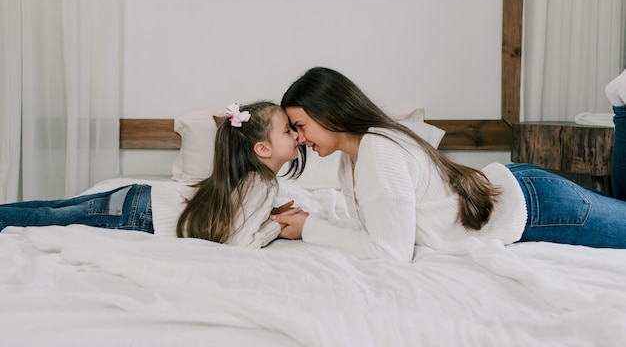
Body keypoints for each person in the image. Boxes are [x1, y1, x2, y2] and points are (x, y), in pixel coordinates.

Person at [272, 66, 626, 262]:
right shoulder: (350, 159)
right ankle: (622, 104)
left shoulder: (378, 152)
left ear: (329, 111)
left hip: (539, 206)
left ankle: (621, 105)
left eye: (300, 126)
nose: (300, 139)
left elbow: (389, 253)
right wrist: (313, 219)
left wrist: (310, 229)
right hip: (521, 190)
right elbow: (375, 228)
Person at [0, 101, 308, 248]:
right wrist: (276, 227)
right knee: (51, 217)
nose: (296, 135)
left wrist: (267, 216)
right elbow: (240, 243)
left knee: (54, 208)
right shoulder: (263, 183)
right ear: (263, 149)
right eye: (287, 130)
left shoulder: (249, 179)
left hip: (142, 196)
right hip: (141, 215)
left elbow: (236, 217)